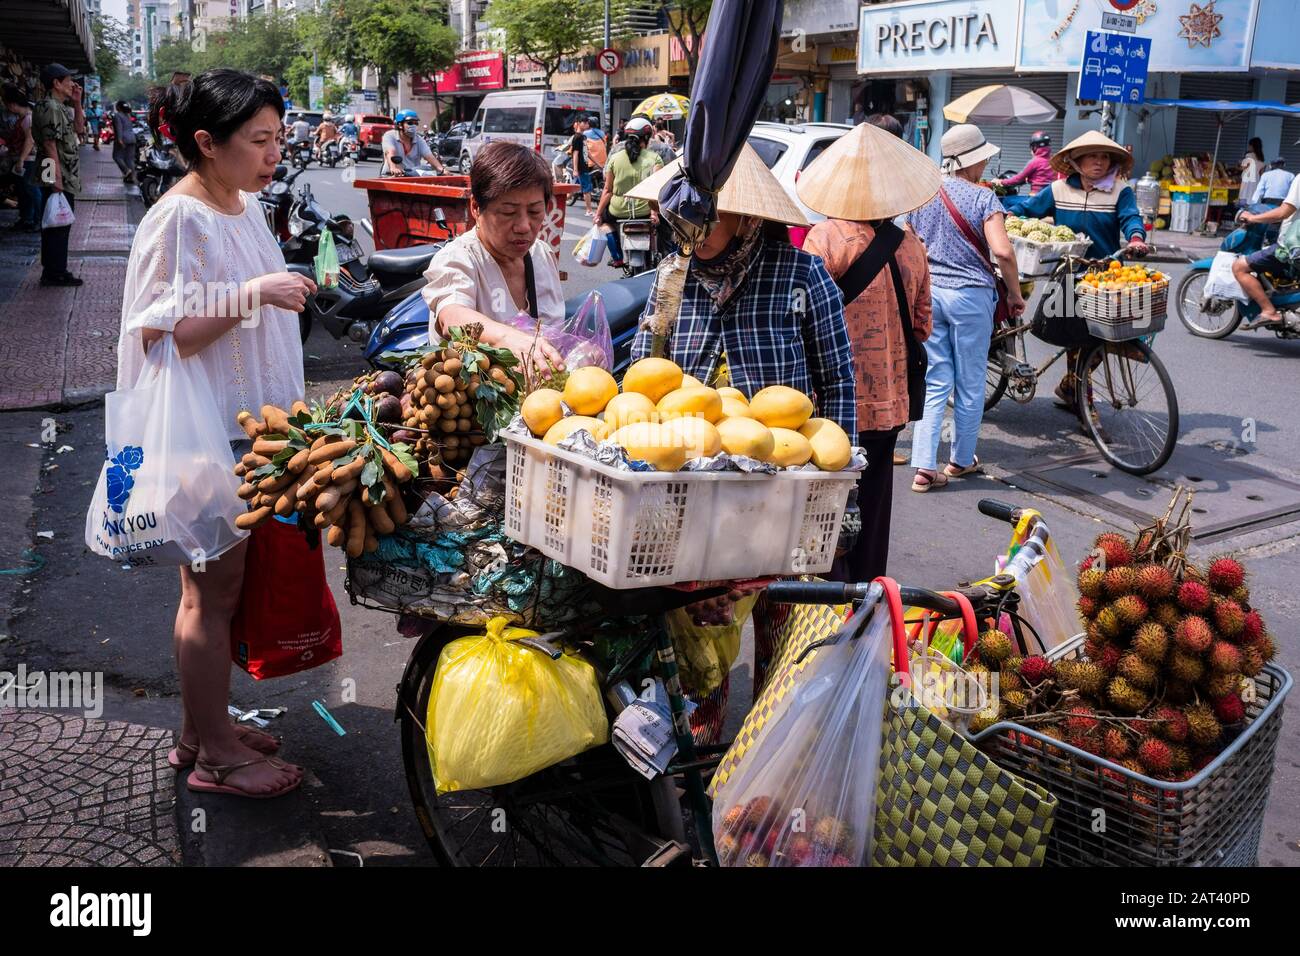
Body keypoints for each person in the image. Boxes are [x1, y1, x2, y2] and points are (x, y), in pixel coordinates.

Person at [118, 69, 317, 798]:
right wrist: (256, 292)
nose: (274, 154)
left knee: (212, 589)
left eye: (277, 138)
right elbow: (168, 328)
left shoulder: (239, 203)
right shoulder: (180, 216)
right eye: (259, 141)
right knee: (212, 592)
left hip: (247, 423)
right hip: (207, 429)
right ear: (206, 142)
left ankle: (203, 731)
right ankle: (218, 761)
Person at [625, 144, 856, 741]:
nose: (689, 229)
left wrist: (836, 490)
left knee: (782, 628)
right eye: (682, 215)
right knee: (703, 628)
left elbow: (837, 382)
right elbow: (640, 370)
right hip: (694, 490)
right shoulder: (671, 278)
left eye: (705, 216)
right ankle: (700, 755)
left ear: (747, 218)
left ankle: (771, 753)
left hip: (782, 489)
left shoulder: (802, 274)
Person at [800, 122, 940, 580]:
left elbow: (803, 315)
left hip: (832, 401)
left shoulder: (825, 238)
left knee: (825, 499)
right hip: (889, 403)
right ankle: (866, 591)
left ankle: (826, 595)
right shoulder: (912, 246)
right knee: (874, 499)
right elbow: (922, 326)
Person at [905, 124, 1026, 492]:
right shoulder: (984, 198)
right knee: (970, 381)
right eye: (984, 157)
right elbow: (1003, 251)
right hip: (971, 298)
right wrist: (1015, 295)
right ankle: (959, 461)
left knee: (936, 377)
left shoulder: (922, 195)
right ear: (974, 160)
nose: (987, 162)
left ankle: (924, 467)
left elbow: (910, 242)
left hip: (932, 294)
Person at [1011, 130, 1148, 410]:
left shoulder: (1121, 191)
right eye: (1092, 156)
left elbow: (1131, 218)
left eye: (1105, 157)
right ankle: (1080, 397)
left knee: (1107, 338)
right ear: (1075, 161)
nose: (1099, 162)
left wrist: (1136, 238)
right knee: (1076, 338)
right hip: (1069, 273)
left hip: (1106, 276)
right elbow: (1028, 209)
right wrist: (1005, 213)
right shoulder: (1058, 190)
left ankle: (1072, 385)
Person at [422, 141, 565, 374]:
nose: (523, 226)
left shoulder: (541, 255)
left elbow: (553, 332)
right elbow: (451, 315)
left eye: (535, 212)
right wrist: (505, 338)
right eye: (508, 212)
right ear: (476, 207)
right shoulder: (458, 259)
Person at [32, 63, 85, 286]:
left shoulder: (61, 106)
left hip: (61, 171)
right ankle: (54, 271)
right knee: (56, 221)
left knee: (59, 221)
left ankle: (55, 269)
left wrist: (77, 102)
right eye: (68, 80)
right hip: (53, 169)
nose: (72, 84)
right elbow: (49, 144)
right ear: (56, 83)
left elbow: (80, 130)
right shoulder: (49, 107)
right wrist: (56, 179)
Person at [1231, 172, 1300, 329]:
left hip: (1291, 247)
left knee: (1239, 267)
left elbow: (1283, 212)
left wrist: (1253, 218)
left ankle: (1269, 311)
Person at [595, 120, 663, 267]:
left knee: (605, 224)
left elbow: (607, 190)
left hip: (619, 210)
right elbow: (656, 189)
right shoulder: (655, 158)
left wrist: (598, 214)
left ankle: (617, 257)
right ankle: (663, 258)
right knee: (666, 228)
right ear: (647, 137)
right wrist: (654, 213)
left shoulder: (615, 158)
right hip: (646, 210)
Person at [1, 84, 41, 230]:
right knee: (24, 191)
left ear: (12, 104)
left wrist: (21, 160)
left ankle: (38, 220)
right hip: (23, 159)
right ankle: (27, 218)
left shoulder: (28, 119)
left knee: (32, 190)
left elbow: (30, 140)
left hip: (29, 160)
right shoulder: (23, 118)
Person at [382, 109, 444, 177]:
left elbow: (429, 156)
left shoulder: (419, 140)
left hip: (412, 176)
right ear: (400, 125)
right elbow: (390, 152)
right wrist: (393, 167)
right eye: (410, 123)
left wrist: (442, 170)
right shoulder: (389, 136)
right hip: (392, 176)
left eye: (416, 123)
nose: (414, 126)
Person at [997, 130, 1059, 195]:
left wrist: (1001, 182)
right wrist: (1029, 179)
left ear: (1035, 147)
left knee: (1007, 201)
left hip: (1036, 197)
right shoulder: (1053, 160)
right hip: (1050, 196)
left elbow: (1019, 178)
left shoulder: (1035, 162)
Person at [567, 115, 597, 219]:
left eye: (587, 123)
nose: (587, 125)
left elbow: (587, 153)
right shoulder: (577, 137)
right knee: (587, 188)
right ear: (579, 123)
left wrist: (597, 163)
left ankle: (558, 200)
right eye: (585, 122)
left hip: (584, 165)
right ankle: (589, 210)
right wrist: (575, 169)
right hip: (580, 167)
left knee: (573, 189)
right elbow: (575, 153)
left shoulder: (583, 137)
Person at [110, 100, 137, 184]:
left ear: (118, 107)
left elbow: (119, 128)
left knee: (116, 156)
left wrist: (119, 140)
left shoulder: (117, 116)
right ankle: (132, 177)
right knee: (129, 159)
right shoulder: (128, 115)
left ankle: (126, 171)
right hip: (132, 138)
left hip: (123, 138)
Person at [1239, 137, 1265, 207]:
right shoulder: (1261, 158)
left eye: (1249, 145)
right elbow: (1262, 174)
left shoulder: (1249, 155)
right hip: (1256, 182)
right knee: (1252, 201)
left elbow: (1243, 168)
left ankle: (1243, 215)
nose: (1248, 147)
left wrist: (1239, 165)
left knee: (1244, 200)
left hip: (1247, 182)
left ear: (1252, 146)